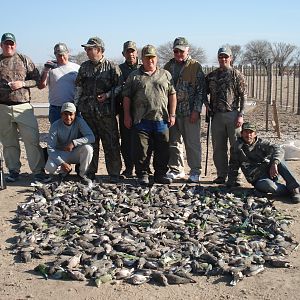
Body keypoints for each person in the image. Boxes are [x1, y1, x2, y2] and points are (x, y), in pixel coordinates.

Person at [122, 44, 177, 185]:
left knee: (163, 149)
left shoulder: (165, 74)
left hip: (161, 119)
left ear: (156, 58)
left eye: (152, 57)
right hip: (141, 119)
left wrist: (172, 114)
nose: (150, 60)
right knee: (141, 150)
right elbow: (127, 97)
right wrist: (127, 115)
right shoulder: (134, 76)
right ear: (142, 59)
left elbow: (172, 95)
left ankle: (160, 174)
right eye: (147, 58)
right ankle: (143, 174)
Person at [0, 32, 50, 183]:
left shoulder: (24, 59)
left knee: (32, 140)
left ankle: (38, 171)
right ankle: (13, 171)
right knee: (9, 143)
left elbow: (37, 80)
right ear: (1, 45)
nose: (9, 46)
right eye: (6, 44)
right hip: (2, 108)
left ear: (15, 45)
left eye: (11, 43)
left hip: (24, 107)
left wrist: (22, 84)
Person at [75, 37, 122, 183]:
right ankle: (89, 173)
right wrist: (76, 107)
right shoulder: (84, 67)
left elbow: (120, 87)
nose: (87, 51)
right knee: (90, 145)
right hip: (88, 114)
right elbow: (78, 88)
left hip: (106, 114)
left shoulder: (112, 67)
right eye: (86, 49)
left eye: (90, 49)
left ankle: (114, 174)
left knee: (111, 144)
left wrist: (107, 95)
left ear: (99, 50)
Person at [164, 37, 206, 183]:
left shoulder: (195, 66)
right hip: (173, 112)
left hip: (190, 113)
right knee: (174, 142)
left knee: (192, 143)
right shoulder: (168, 66)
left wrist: (196, 110)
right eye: (176, 51)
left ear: (187, 50)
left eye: (181, 51)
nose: (179, 53)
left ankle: (195, 171)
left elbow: (201, 91)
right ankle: (176, 169)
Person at [227, 122, 300, 203]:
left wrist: (275, 163)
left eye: (251, 132)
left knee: (280, 160)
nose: (248, 135)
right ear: (241, 133)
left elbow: (279, 149)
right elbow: (233, 166)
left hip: (271, 171)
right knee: (269, 186)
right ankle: (289, 191)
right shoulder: (236, 148)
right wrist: (230, 184)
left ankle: (294, 188)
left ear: (255, 134)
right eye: (246, 132)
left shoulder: (262, 143)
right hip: (258, 179)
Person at [206, 46, 247, 184]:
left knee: (236, 147)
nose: (223, 59)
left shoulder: (237, 75)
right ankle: (221, 175)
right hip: (216, 116)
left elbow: (243, 97)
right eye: (220, 57)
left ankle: (236, 176)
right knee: (218, 148)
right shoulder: (211, 76)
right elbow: (202, 92)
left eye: (226, 57)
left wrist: (241, 115)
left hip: (233, 115)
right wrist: (207, 105)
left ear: (231, 58)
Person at [118, 41, 152, 178]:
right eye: (127, 51)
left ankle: (145, 167)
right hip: (125, 109)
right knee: (126, 141)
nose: (130, 54)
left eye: (132, 51)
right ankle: (128, 168)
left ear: (137, 53)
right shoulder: (119, 69)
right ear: (123, 54)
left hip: (143, 111)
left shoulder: (145, 66)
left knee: (145, 140)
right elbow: (117, 88)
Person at [45, 102, 95, 185]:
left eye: (71, 114)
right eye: (65, 114)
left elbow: (91, 137)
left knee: (88, 148)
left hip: (75, 153)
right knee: (50, 168)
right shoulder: (55, 125)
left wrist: (74, 143)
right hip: (61, 154)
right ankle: (64, 171)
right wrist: (62, 163)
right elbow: (50, 148)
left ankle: (83, 174)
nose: (68, 117)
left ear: (75, 114)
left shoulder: (80, 122)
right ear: (61, 114)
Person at [39, 43, 80, 124]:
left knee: (74, 134)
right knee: (56, 133)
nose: (61, 57)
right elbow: (41, 86)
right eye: (58, 55)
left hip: (72, 107)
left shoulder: (77, 68)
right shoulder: (50, 68)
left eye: (63, 54)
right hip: (56, 108)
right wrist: (46, 69)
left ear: (67, 53)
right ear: (55, 55)